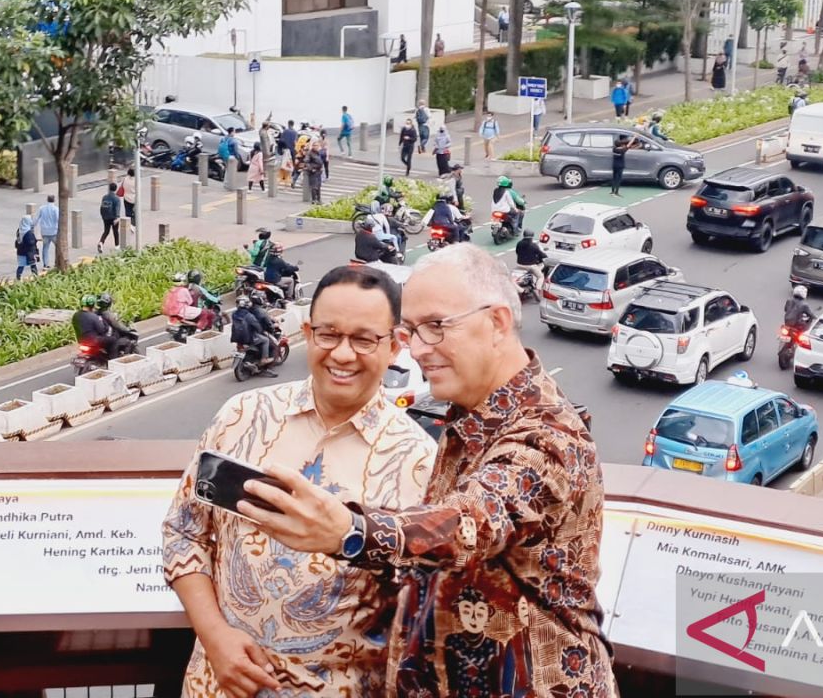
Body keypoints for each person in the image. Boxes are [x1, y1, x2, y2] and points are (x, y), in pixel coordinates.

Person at [232, 244, 615, 697]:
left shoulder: (547, 436)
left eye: (435, 327)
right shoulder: (471, 419)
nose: (415, 350)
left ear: (496, 323)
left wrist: (350, 531)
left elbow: (470, 523)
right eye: (410, 331)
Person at [162, 266, 437, 697]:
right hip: (217, 683)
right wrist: (215, 637)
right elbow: (183, 532)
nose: (343, 354)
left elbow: (424, 602)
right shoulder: (243, 416)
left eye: (364, 339)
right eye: (329, 334)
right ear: (307, 332)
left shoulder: (420, 462)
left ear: (395, 345)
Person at [96, 292, 134, 359]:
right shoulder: (107, 314)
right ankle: (114, 361)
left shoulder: (95, 313)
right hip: (106, 337)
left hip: (97, 337)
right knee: (125, 342)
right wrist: (127, 330)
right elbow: (117, 325)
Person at [515, 229, 546, 299]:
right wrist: (545, 256)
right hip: (530, 266)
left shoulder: (519, 243)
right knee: (540, 276)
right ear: (532, 236)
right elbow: (541, 254)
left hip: (519, 265)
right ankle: (537, 289)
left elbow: (517, 252)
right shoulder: (533, 245)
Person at [35, 195, 60, 269]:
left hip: (44, 232)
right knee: (58, 247)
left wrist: (32, 226)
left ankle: (46, 264)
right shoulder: (56, 209)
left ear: (47, 200)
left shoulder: (42, 208)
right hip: (54, 232)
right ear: (54, 200)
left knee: (45, 248)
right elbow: (58, 219)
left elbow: (36, 219)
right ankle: (57, 262)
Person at [97, 182, 121, 254]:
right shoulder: (117, 199)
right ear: (116, 189)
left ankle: (101, 242)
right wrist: (117, 217)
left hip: (105, 217)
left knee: (106, 231)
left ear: (109, 189)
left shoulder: (104, 197)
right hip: (113, 217)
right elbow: (117, 208)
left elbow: (101, 207)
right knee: (115, 232)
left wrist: (102, 216)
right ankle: (117, 246)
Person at [15, 214, 39, 280]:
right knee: (33, 265)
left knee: (21, 266)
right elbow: (31, 242)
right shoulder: (28, 233)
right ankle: (36, 277)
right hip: (29, 252)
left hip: (20, 251)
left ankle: (18, 278)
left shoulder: (19, 230)